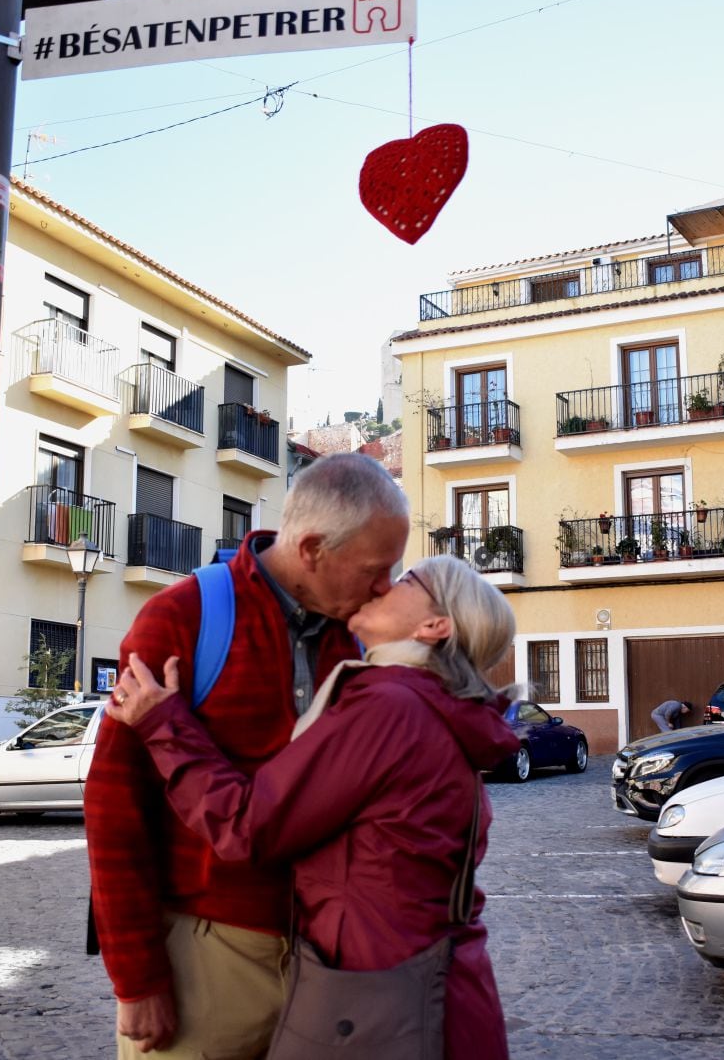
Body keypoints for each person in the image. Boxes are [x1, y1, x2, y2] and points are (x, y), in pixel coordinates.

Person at [109, 554, 519, 1060]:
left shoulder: (390, 708)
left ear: (435, 625)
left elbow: (247, 825)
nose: (382, 583)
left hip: (379, 1002)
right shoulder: (442, 709)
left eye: (406, 580)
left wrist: (163, 726)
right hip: (435, 989)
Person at [85, 453, 410, 1058]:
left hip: (331, 970)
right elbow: (113, 808)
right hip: (206, 963)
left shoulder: (363, 638)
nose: (385, 588)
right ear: (312, 548)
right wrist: (136, 977)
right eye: (375, 569)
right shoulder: (182, 617)